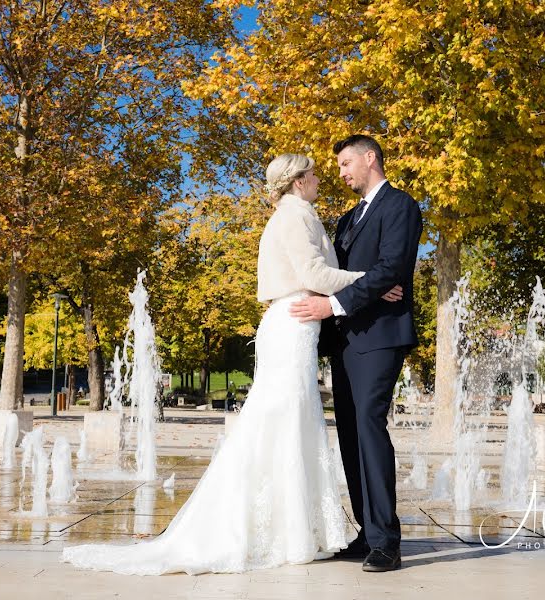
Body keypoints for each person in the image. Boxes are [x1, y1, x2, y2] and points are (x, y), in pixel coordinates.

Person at [61, 153, 401, 575]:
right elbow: (314, 273)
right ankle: (277, 530)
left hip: (298, 324)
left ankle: (293, 529)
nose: (319, 179)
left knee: (288, 424)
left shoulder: (295, 214)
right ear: (297, 181)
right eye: (312, 174)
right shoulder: (294, 216)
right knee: (282, 422)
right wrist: (372, 283)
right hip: (295, 321)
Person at [290, 135, 423, 572]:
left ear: (371, 158)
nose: (342, 173)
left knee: (368, 424)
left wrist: (334, 303)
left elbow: (392, 268)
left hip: (381, 336)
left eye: (347, 163)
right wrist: (355, 288)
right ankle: (368, 533)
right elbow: (342, 273)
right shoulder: (347, 219)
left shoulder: (400, 206)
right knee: (349, 433)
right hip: (345, 340)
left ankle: (387, 541)